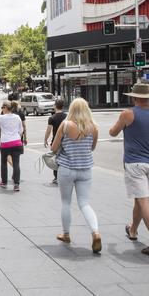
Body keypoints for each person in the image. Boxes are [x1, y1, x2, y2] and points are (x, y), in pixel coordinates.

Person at [51, 98, 101, 253]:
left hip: (66, 168)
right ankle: (95, 232)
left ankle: (66, 234)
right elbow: (92, 148)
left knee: (66, 202)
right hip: (85, 169)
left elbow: (54, 148)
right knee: (84, 203)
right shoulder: (93, 127)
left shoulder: (65, 125)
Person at [108, 83, 149, 256]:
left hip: (135, 163)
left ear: (134, 97)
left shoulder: (128, 114)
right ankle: (132, 230)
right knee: (139, 200)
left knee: (144, 201)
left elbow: (112, 132)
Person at [0, 100, 24, 191]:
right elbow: (21, 130)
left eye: (2, 108)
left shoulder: (1, 118)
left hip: (5, 143)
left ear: (5, 108)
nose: (2, 110)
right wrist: (17, 138)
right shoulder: (17, 117)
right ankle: (16, 184)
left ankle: (4, 182)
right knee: (16, 163)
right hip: (16, 142)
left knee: (4, 162)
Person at [44, 99, 67, 185]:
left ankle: (56, 177)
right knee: (65, 158)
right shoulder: (67, 116)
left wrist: (45, 139)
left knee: (56, 159)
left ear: (55, 106)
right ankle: (64, 175)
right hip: (66, 141)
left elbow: (49, 130)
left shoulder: (52, 118)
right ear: (63, 106)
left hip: (55, 141)